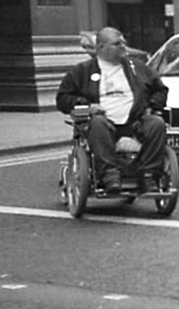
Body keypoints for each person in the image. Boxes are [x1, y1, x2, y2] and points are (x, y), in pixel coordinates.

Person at [56, 27, 169, 194]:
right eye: (117, 43)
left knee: (157, 124)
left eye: (123, 42)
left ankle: (149, 175)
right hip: (103, 124)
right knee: (97, 123)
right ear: (101, 48)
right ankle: (110, 175)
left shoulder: (138, 67)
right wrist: (87, 105)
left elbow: (160, 90)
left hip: (135, 122)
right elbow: (63, 99)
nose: (123, 46)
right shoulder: (81, 71)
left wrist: (151, 106)